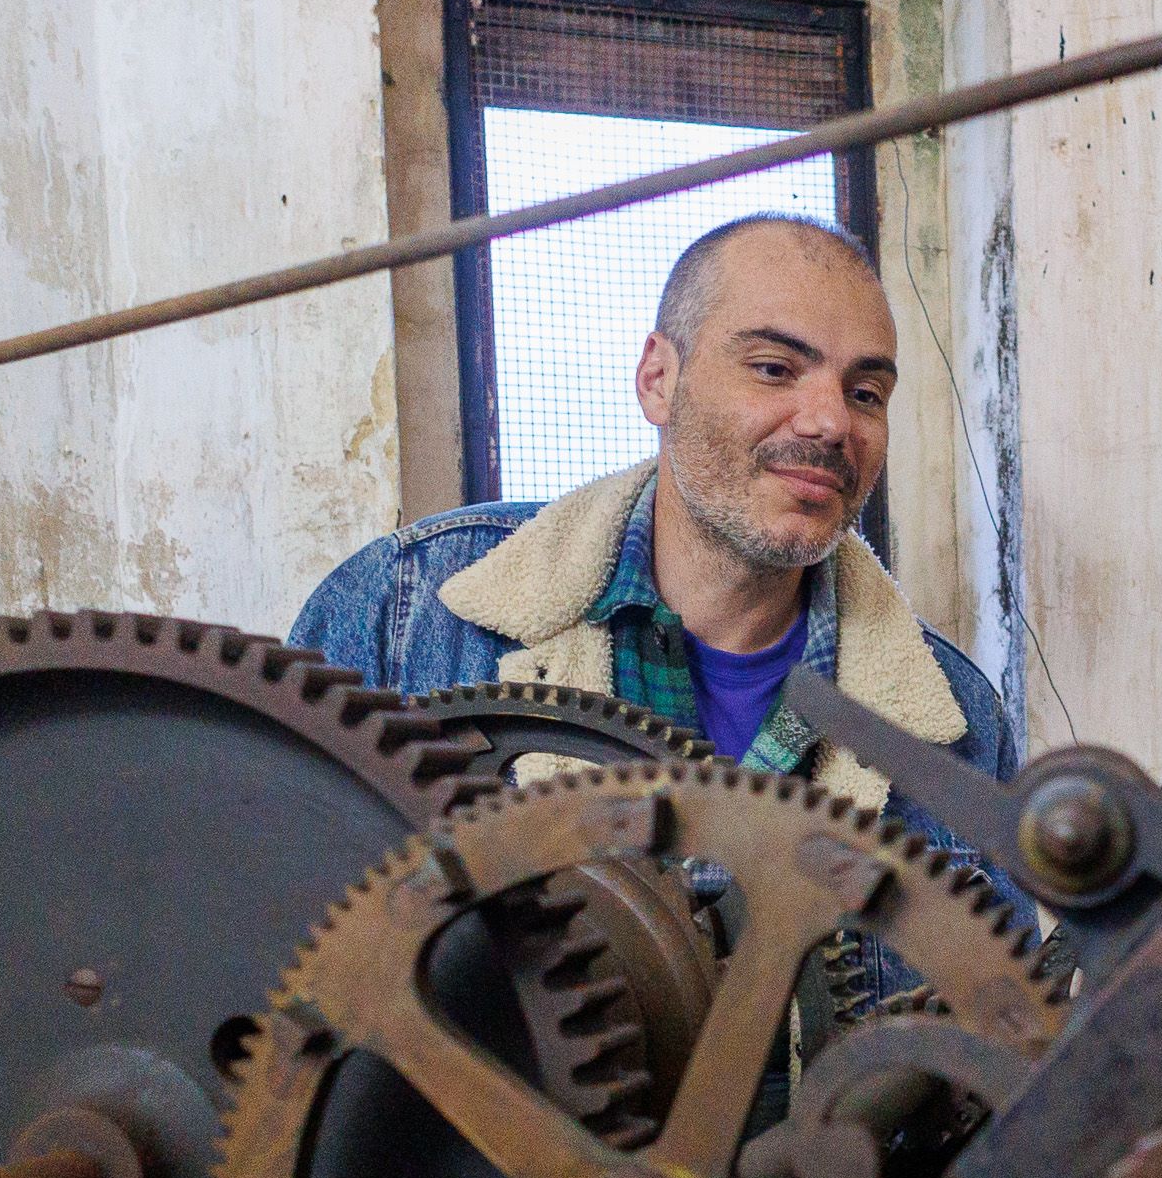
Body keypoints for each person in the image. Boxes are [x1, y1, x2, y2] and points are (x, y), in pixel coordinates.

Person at [291, 211, 1020, 877]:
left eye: (865, 392)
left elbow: (996, 1013)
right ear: (658, 381)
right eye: (774, 368)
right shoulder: (400, 617)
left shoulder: (956, 725)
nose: (830, 422)